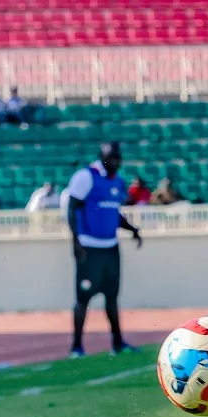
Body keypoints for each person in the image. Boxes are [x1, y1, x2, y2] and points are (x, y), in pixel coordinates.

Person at [66, 143, 142, 359]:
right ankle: (76, 346)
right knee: (83, 298)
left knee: (112, 297)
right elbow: (71, 208)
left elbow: (113, 213)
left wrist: (132, 230)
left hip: (110, 248)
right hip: (89, 248)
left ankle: (118, 343)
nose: (116, 162)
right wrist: (76, 241)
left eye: (118, 158)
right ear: (102, 158)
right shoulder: (86, 177)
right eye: (112, 158)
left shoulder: (118, 182)